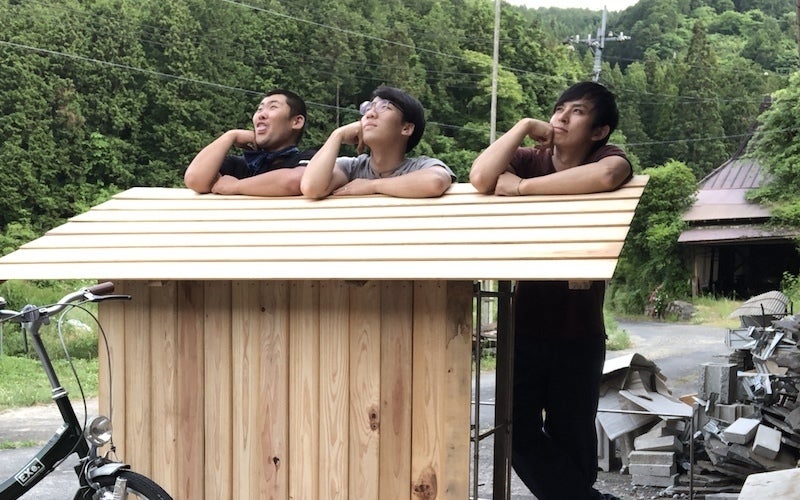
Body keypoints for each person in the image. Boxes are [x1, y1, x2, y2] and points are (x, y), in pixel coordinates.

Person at [469, 81, 633, 500]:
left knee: (573, 435)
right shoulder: (531, 158)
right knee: (516, 431)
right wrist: (524, 125)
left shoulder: (603, 157)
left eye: (577, 112)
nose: (561, 117)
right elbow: (481, 177)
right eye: (559, 108)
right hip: (525, 326)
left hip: (580, 332)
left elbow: (610, 175)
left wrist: (522, 188)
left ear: (599, 131)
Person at [300, 86, 454, 199]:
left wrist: (372, 186)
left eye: (384, 107)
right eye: (368, 108)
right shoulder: (352, 167)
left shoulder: (420, 166)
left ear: (406, 128)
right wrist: (337, 135)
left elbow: (435, 181)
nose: (370, 114)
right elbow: (312, 187)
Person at [184, 89, 316, 196]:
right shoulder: (240, 164)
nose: (261, 115)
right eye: (259, 109)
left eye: (273, 107)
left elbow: (296, 180)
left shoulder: (310, 157)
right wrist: (230, 136)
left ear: (296, 122)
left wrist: (235, 186)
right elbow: (195, 180)